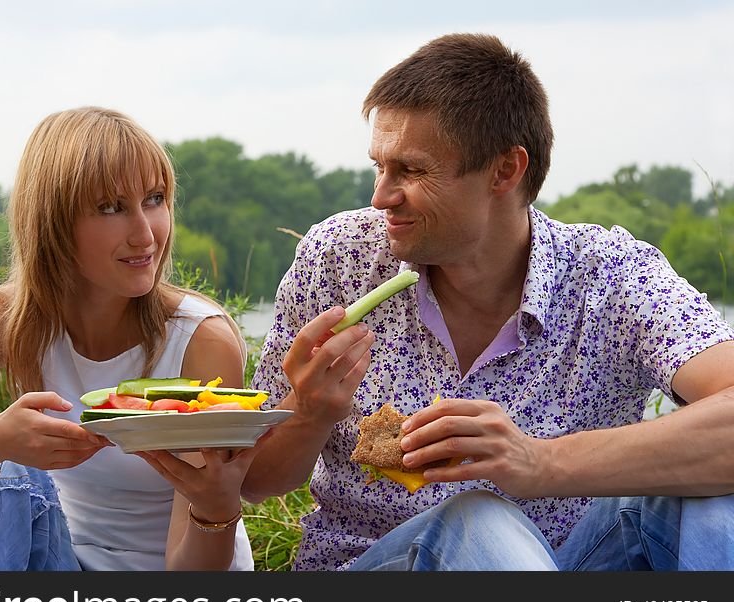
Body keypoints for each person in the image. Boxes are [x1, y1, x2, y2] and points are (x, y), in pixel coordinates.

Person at [242, 33, 734, 571]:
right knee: (478, 517)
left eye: (410, 170)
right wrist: (309, 414)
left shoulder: (611, 274)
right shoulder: (339, 261)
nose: (381, 195)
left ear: (505, 170)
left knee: (705, 494)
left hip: (563, 564)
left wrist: (540, 461)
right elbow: (256, 480)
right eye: (378, 166)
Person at [0, 106, 256, 571]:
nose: (145, 233)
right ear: (53, 223)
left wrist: (215, 508)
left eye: (155, 199)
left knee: (4, 474)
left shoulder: (201, 339)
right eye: (111, 208)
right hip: (61, 562)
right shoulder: (6, 316)